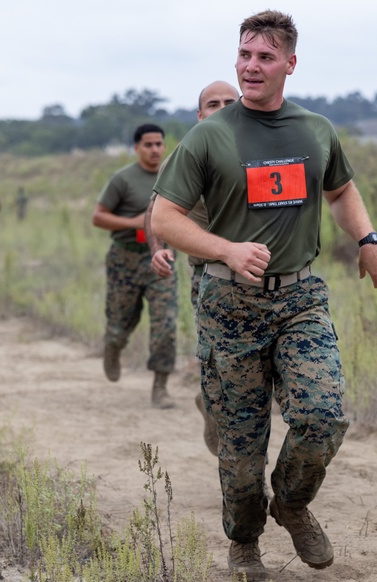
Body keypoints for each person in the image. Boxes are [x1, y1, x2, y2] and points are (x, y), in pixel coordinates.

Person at [151, 11, 377, 580]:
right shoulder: (210, 136)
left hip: (300, 298)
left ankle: (291, 502)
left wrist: (367, 238)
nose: (251, 66)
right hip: (229, 304)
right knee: (240, 448)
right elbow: (166, 218)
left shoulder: (315, 129)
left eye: (264, 57)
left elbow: (341, 190)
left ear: (290, 63)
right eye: (244, 54)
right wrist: (226, 250)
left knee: (323, 415)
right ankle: (244, 542)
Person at [145, 80, 239, 451]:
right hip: (210, 274)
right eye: (212, 104)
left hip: (262, 273)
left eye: (229, 102)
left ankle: (219, 409)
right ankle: (216, 411)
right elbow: (157, 211)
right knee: (220, 365)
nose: (221, 108)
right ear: (200, 116)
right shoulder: (186, 156)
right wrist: (158, 248)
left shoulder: (266, 150)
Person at [93, 123, 178, 409]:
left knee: (165, 324)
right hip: (125, 259)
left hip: (162, 259)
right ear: (137, 147)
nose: (154, 150)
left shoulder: (176, 177)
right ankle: (113, 346)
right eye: (148, 144)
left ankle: (160, 387)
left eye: (158, 144)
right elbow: (99, 217)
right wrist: (135, 222)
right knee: (121, 321)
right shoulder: (123, 179)